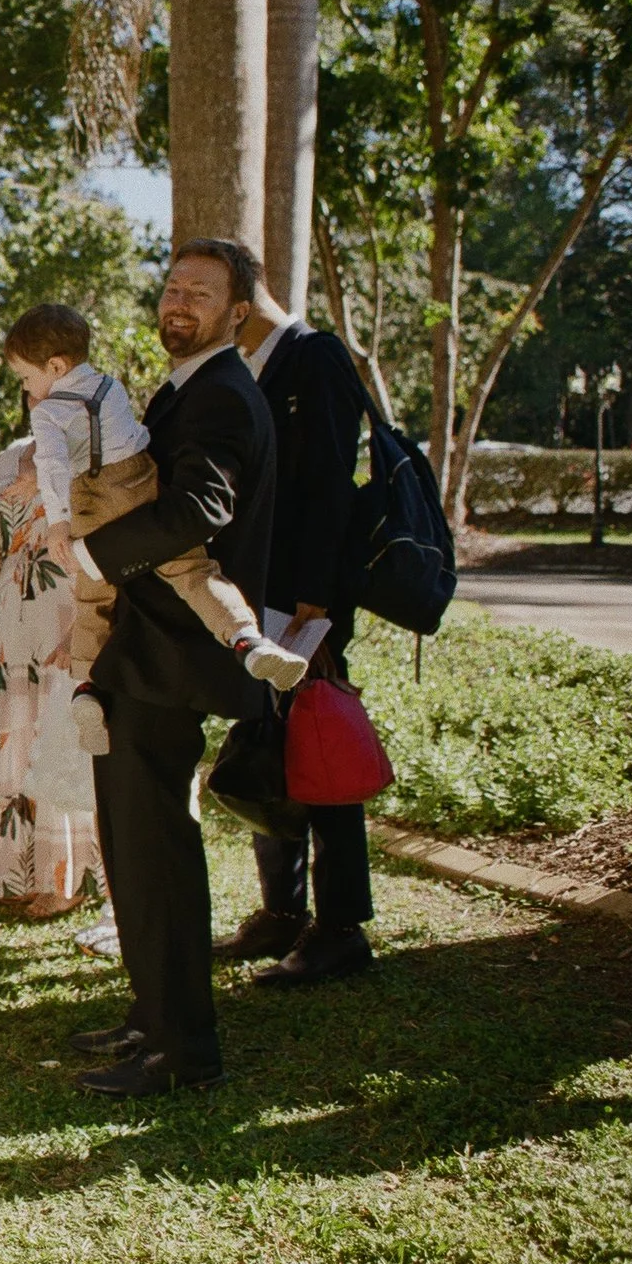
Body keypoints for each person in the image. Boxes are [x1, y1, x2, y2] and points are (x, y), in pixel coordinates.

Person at [67, 239, 278, 1098]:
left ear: (239, 314)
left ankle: (184, 1049)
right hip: (141, 654)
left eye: (201, 292)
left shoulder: (226, 395)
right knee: (133, 847)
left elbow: (200, 507)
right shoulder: (185, 387)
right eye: (172, 287)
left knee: (158, 853)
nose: (178, 302)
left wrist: (93, 558)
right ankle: (150, 1015)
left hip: (170, 656)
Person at [1, 304, 306, 758]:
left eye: (26, 378)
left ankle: (86, 688)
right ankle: (247, 639)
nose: (28, 389)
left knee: (92, 598)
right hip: (140, 485)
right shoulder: (109, 385)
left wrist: (60, 523)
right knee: (195, 572)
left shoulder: (47, 413)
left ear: (55, 367)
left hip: (91, 500)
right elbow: (134, 437)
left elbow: (53, 463)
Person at [222, 275, 376, 984]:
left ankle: (341, 927)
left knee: (318, 746)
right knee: (269, 739)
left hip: (304, 603)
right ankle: (280, 911)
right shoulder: (255, 365)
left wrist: (316, 593)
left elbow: (328, 479)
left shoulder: (315, 356)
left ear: (243, 301)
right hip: (262, 597)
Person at [0, 436, 102, 916]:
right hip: (10, 612)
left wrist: (83, 627)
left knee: (55, 737)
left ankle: (66, 874)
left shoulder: (90, 454)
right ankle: (15, 868)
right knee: (6, 743)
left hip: (66, 604)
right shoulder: (8, 460)